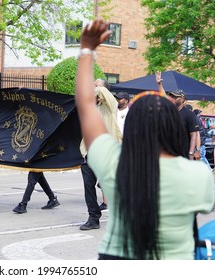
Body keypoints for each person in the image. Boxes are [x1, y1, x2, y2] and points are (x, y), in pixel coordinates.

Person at [75, 19, 214, 259]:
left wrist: (87, 50)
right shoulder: (197, 174)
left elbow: (86, 105)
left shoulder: (114, 163)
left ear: (132, 127)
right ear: (172, 127)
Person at [79, 84, 122, 230]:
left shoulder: (109, 108)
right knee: (88, 186)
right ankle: (93, 218)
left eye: (97, 85)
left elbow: (106, 95)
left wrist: (96, 87)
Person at [156, 72, 199, 159]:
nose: (173, 98)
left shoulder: (189, 114)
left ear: (182, 99)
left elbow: (193, 135)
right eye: (172, 96)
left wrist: (191, 153)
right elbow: (164, 96)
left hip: (182, 153)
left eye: (175, 97)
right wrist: (160, 84)